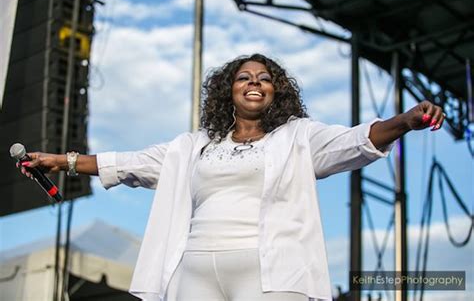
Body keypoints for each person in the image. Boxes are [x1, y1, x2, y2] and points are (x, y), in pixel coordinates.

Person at [17, 54, 445, 301]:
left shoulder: (297, 137)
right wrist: (61, 161)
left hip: (271, 274)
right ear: (230, 90)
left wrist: (405, 120)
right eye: (245, 77)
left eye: (265, 79)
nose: (254, 83)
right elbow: (131, 163)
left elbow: (357, 141)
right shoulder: (194, 145)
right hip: (195, 270)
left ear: (277, 92)